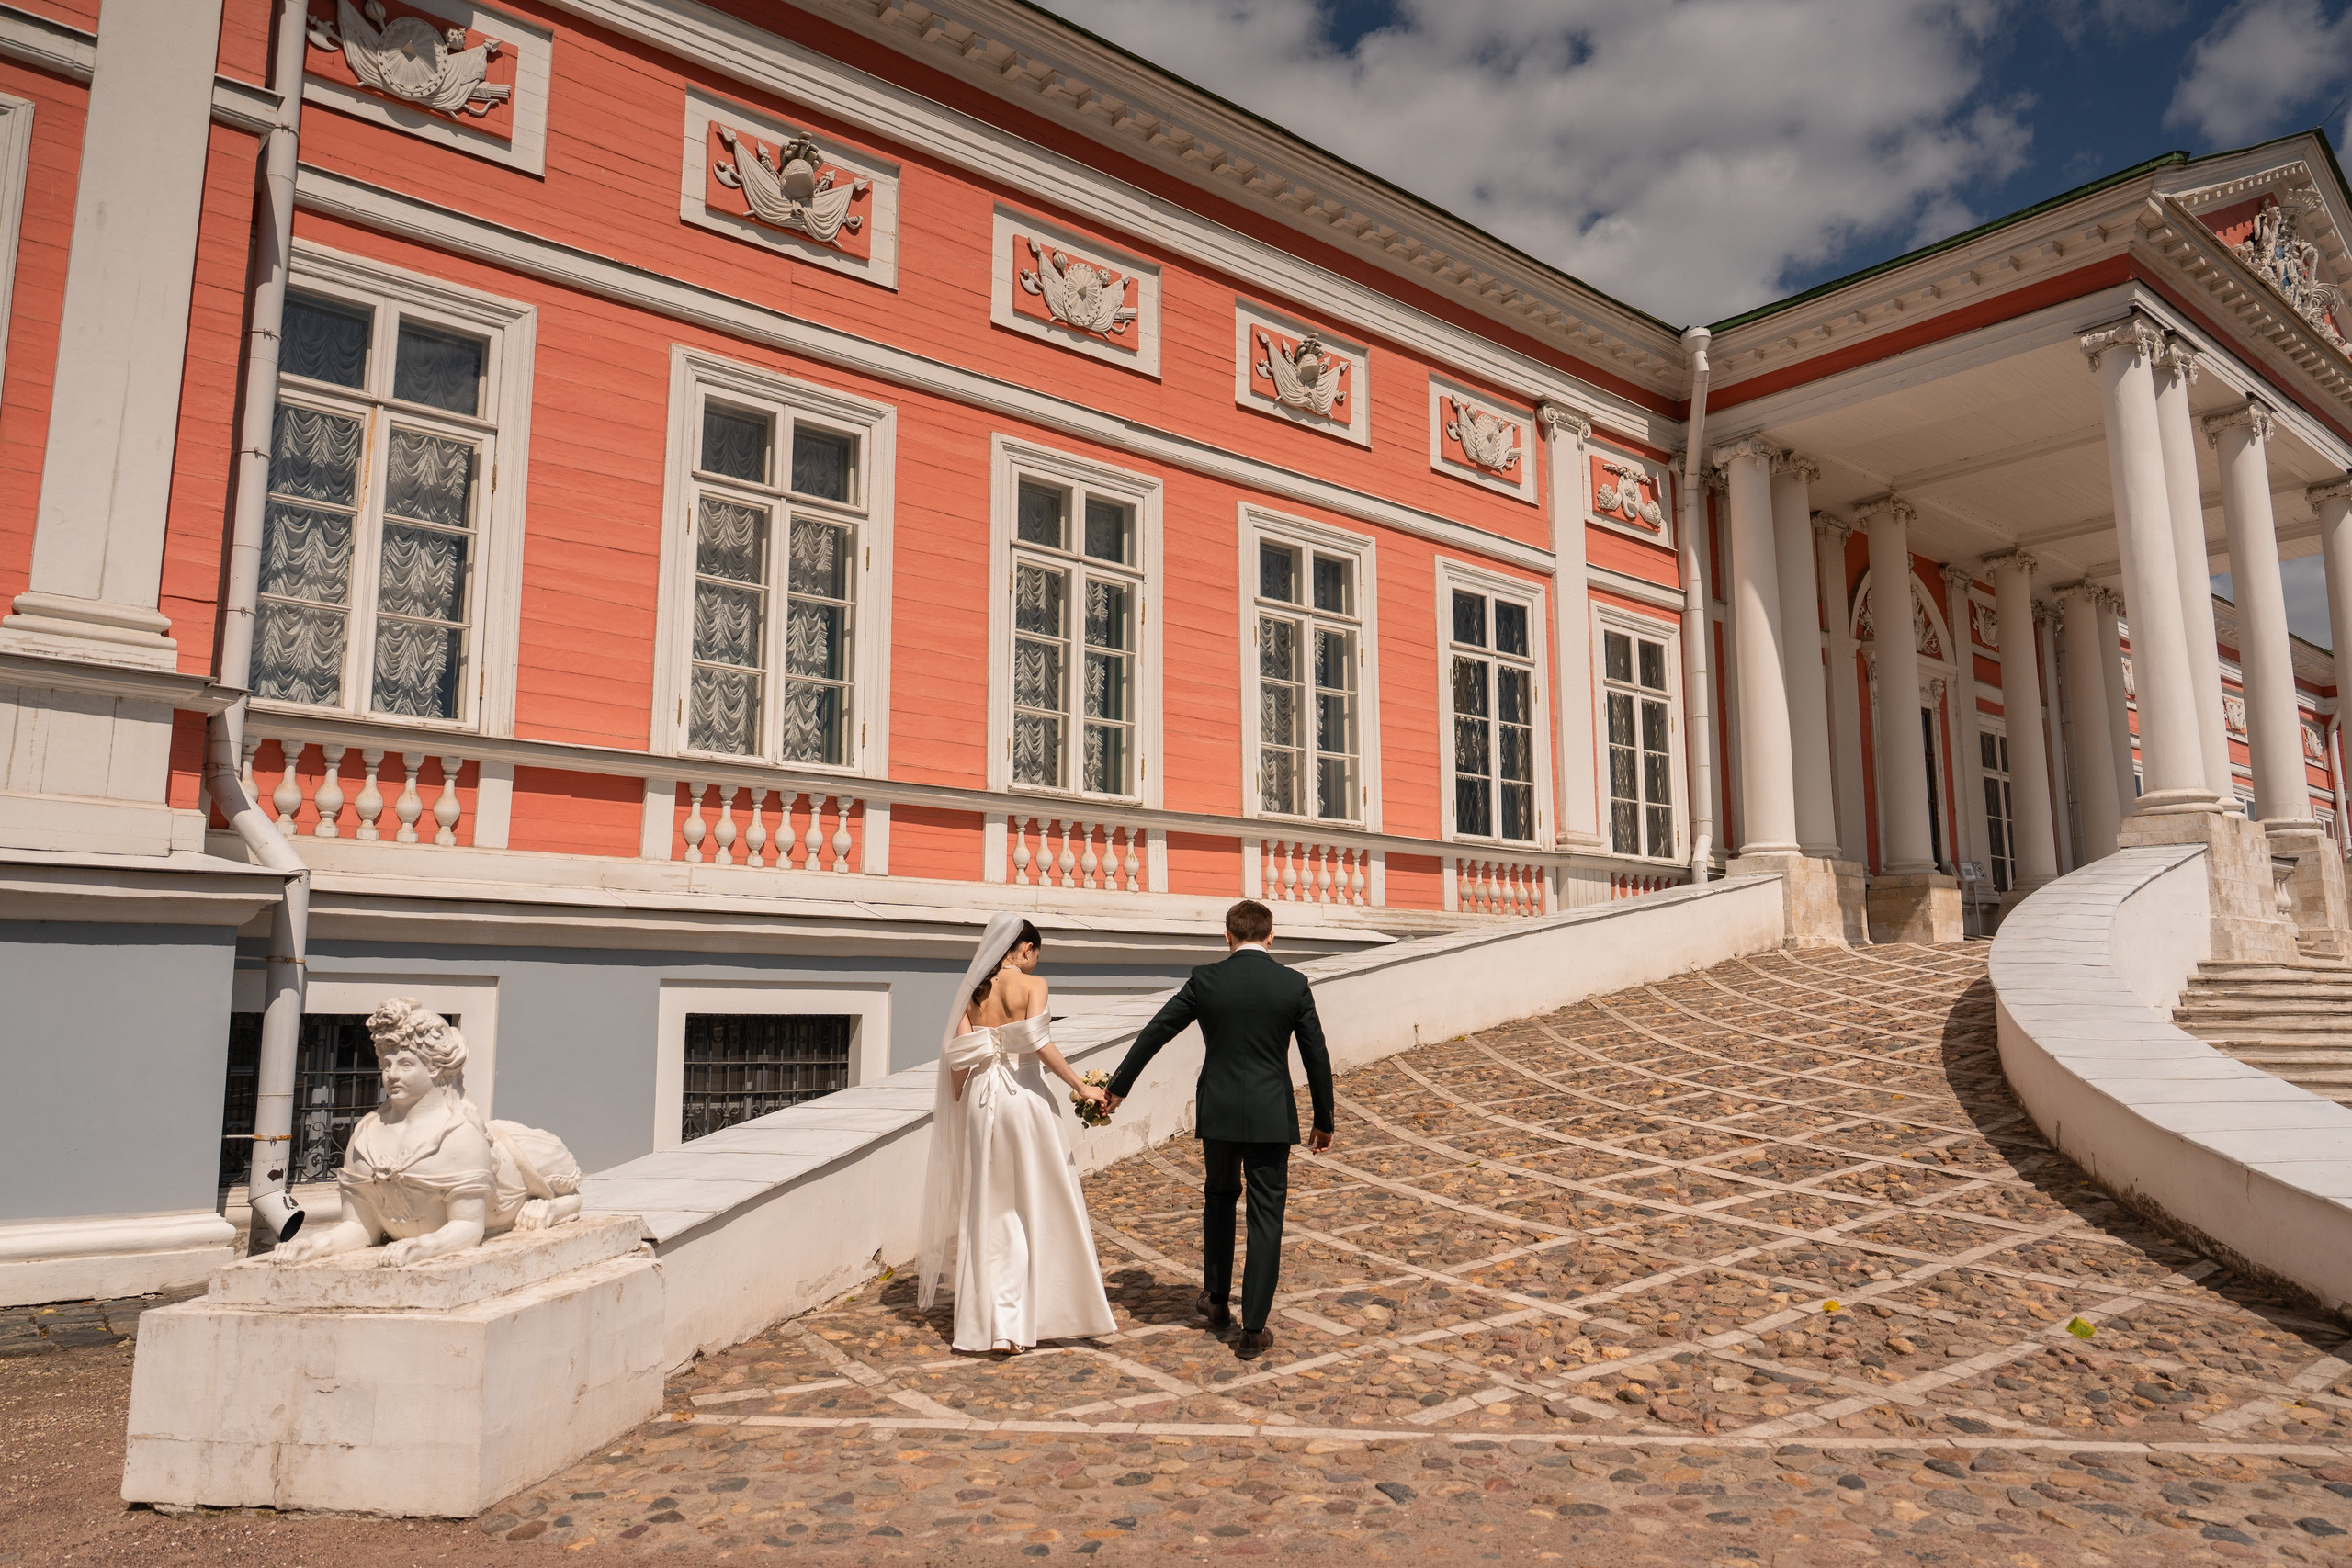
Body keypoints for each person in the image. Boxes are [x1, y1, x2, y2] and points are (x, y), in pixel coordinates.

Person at [1102, 900, 1333, 1359]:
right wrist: (1324, 1119)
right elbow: (1316, 1055)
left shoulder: (1205, 979)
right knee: (1266, 1215)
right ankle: (1254, 1328)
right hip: (1270, 1115)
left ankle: (1216, 1298)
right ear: (1271, 937)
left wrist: (1119, 1086)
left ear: (1227, 937)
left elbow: (1156, 1031)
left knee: (1220, 1198)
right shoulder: (1293, 984)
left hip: (1220, 1112)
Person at [914, 914, 1117, 1354]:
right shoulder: (1034, 986)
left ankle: (996, 1325)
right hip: (1023, 1098)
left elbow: (959, 1060)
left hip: (981, 1101)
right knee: (1037, 1203)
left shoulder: (972, 993)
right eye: (1034, 954)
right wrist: (1081, 1086)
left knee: (989, 1208)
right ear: (1025, 949)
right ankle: (1040, 1315)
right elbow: (1039, 1045)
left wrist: (957, 1108)